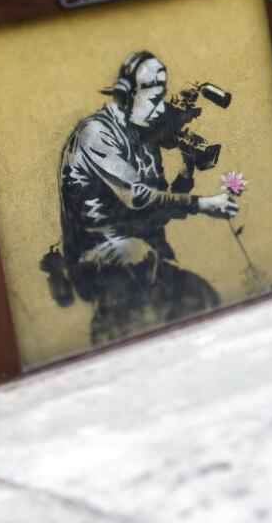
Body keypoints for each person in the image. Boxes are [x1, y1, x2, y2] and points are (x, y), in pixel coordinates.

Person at [53, 51, 239, 345]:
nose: (160, 108)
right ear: (126, 95)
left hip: (144, 251)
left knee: (200, 295)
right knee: (136, 256)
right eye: (154, 98)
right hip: (101, 253)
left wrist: (187, 169)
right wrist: (202, 204)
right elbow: (138, 198)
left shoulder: (142, 140)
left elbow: (158, 210)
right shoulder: (96, 134)